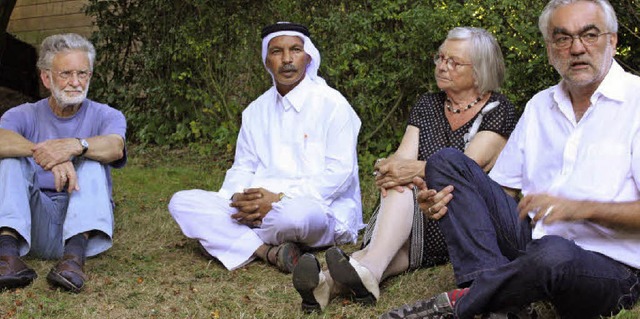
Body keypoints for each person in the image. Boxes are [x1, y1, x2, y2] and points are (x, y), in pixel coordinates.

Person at [380, 0, 640, 318]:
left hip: (610, 267)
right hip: (532, 244)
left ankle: (467, 302)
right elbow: (501, 193)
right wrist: (450, 199)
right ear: (549, 48)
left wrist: (580, 208)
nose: (576, 48)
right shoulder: (538, 106)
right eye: (562, 38)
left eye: (589, 35)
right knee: (445, 162)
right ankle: (497, 305)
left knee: (554, 253)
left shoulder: (636, 102)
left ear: (612, 40)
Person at [292, 27, 518, 312]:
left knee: (404, 186)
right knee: (400, 185)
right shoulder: (428, 104)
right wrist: (392, 170)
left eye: (453, 62)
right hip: (412, 211)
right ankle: (356, 276)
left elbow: (465, 173)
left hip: (457, 214)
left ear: (480, 70)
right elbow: (402, 161)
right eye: (440, 58)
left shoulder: (499, 110)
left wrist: (408, 172)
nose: (441, 66)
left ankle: (330, 280)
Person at [168, 22, 362, 274]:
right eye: (277, 52)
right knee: (182, 202)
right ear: (266, 61)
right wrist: (237, 198)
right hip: (257, 210)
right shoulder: (255, 111)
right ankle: (267, 251)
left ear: (308, 56)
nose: (287, 59)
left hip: (313, 208)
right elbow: (243, 167)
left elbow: (340, 174)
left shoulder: (332, 104)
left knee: (294, 216)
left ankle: (235, 240)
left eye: (295, 50)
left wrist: (278, 200)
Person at [0, 33, 127, 293]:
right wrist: (45, 154)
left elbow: (115, 147)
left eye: (83, 74)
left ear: (90, 77)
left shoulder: (108, 115)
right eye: (66, 74)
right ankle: (7, 257)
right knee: (11, 160)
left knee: (93, 160)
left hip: (83, 226)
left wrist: (76, 146)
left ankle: (72, 261)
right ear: (46, 78)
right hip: (31, 225)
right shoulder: (22, 114)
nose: (75, 82)